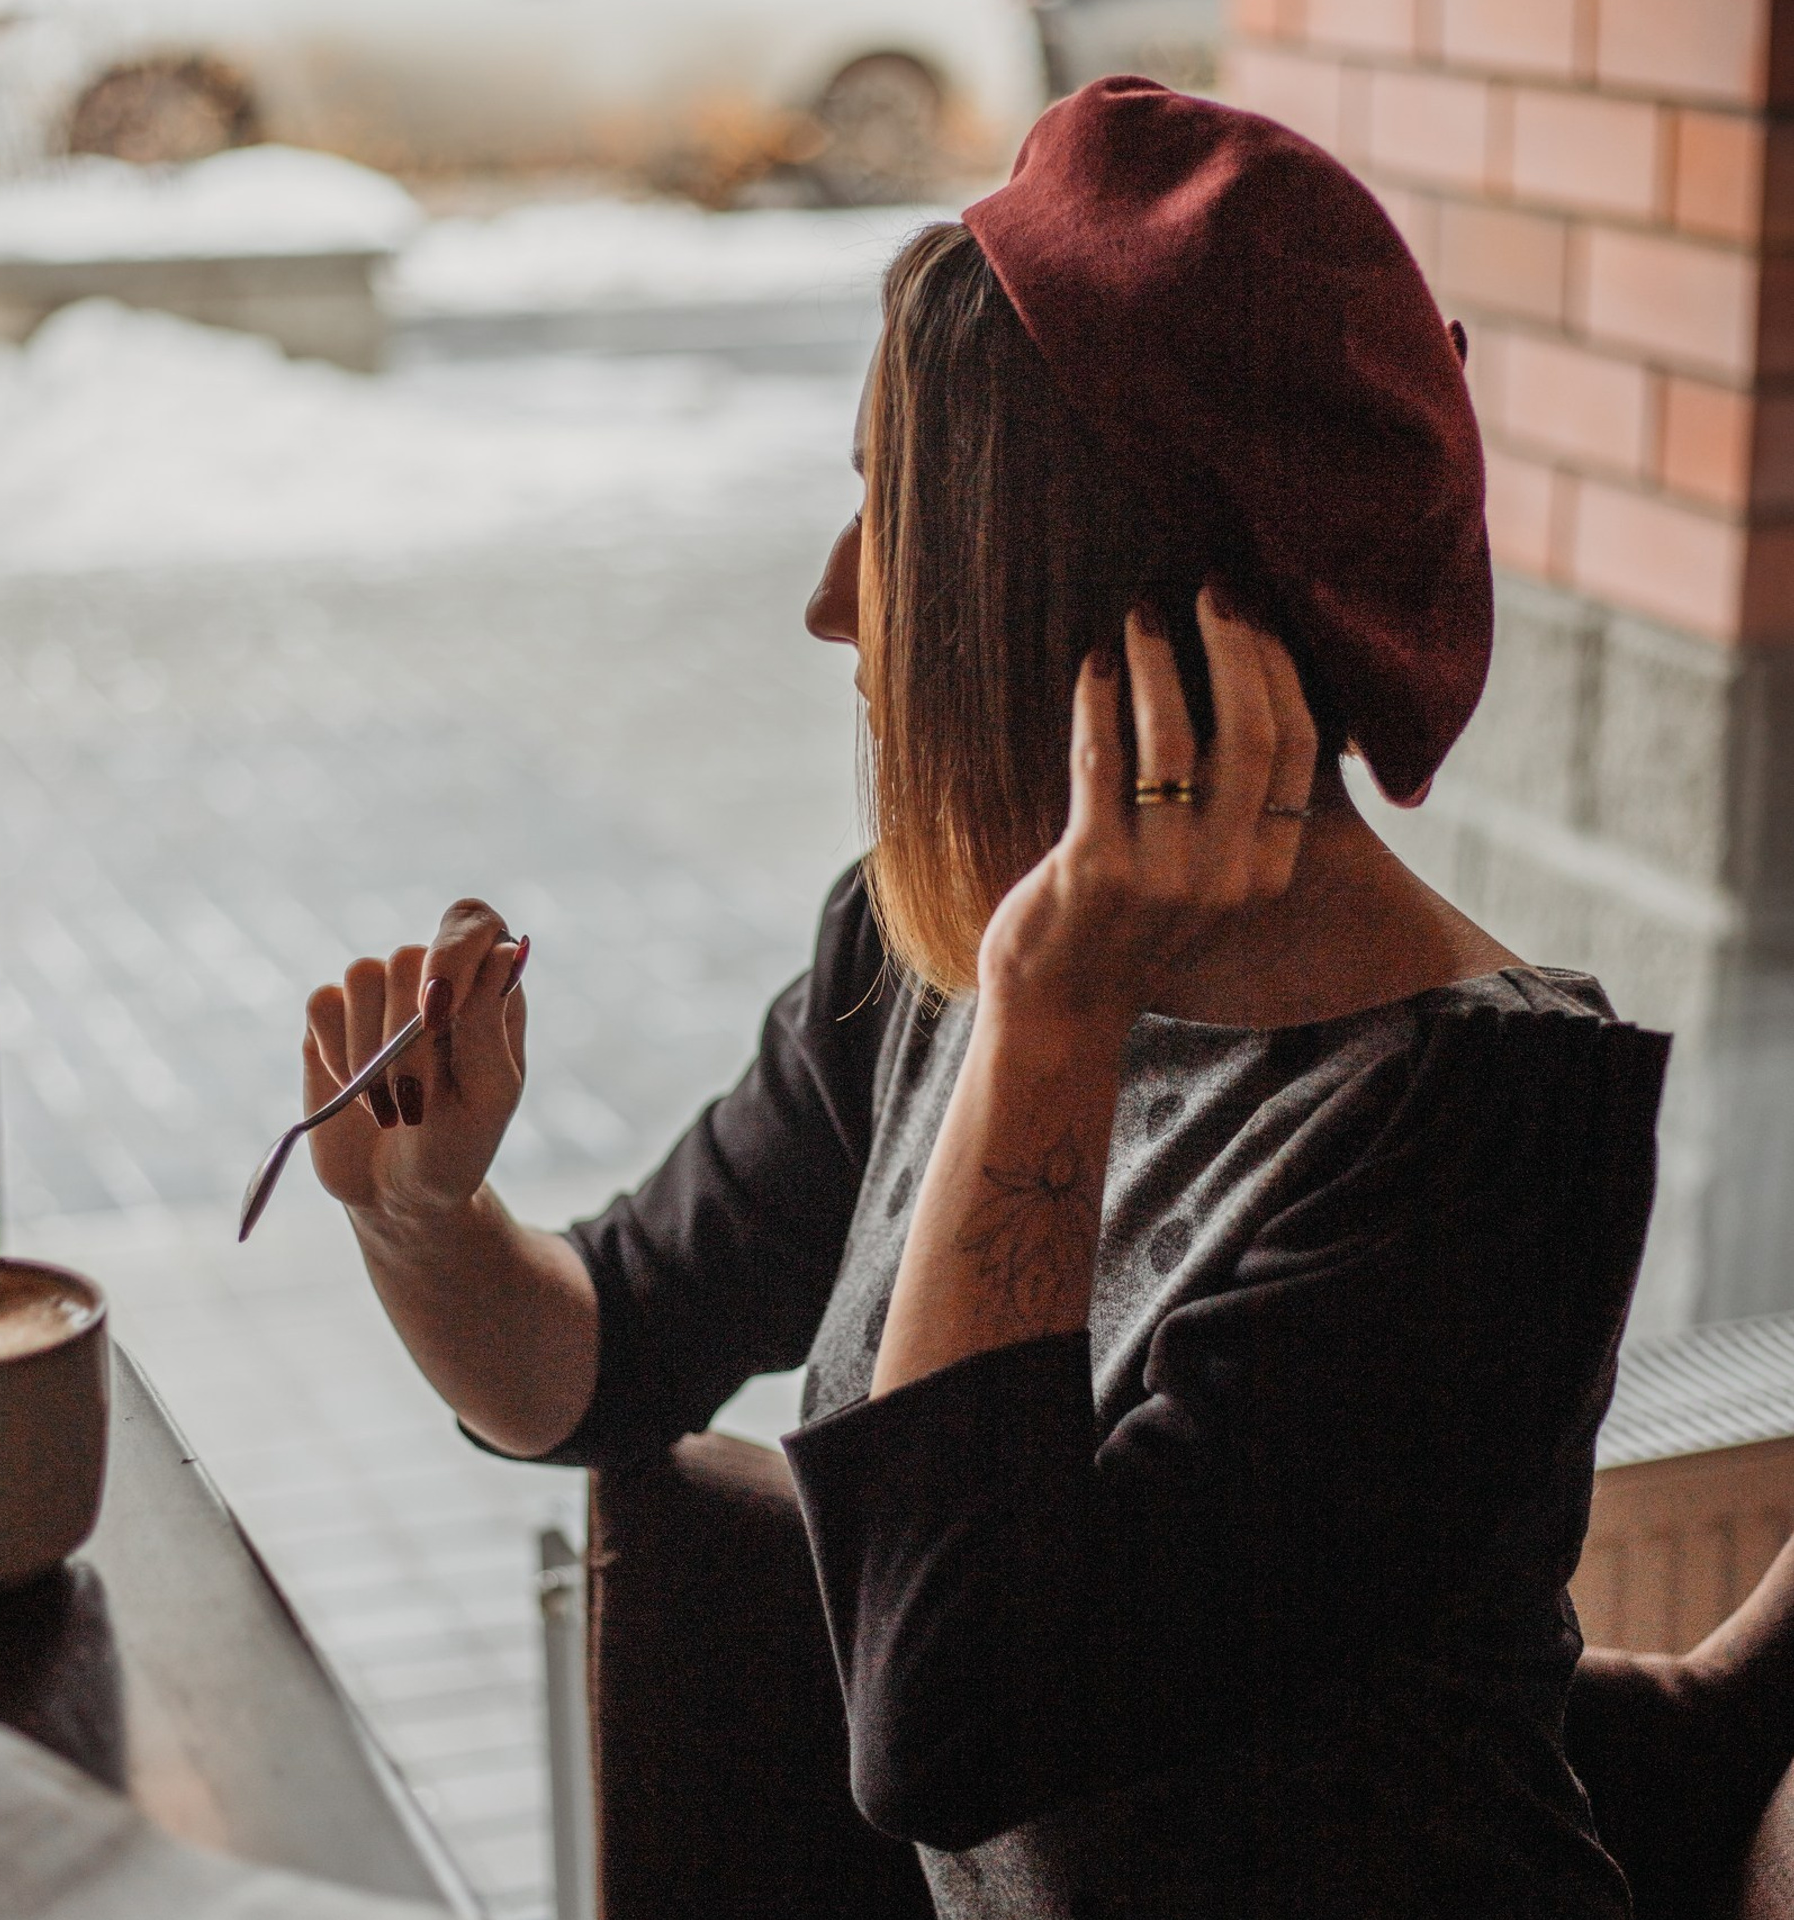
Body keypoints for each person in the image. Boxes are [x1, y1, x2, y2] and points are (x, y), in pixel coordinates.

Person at [300, 79, 1698, 1916]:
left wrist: (1052, 1018)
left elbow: (953, 1723)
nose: (829, 604)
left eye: (891, 516)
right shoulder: (931, 956)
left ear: (1091, 615)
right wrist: (421, 1212)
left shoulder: (1481, 1138)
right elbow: (609, 1352)